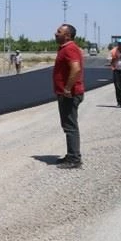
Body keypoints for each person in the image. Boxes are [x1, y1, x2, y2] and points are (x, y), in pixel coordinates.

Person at [52, 24, 85, 169]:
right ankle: (71, 154)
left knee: (70, 126)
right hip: (66, 93)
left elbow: (76, 68)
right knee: (68, 125)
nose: (55, 33)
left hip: (70, 94)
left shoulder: (70, 49)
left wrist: (67, 88)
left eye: (59, 32)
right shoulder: (65, 48)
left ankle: (74, 159)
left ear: (67, 35)